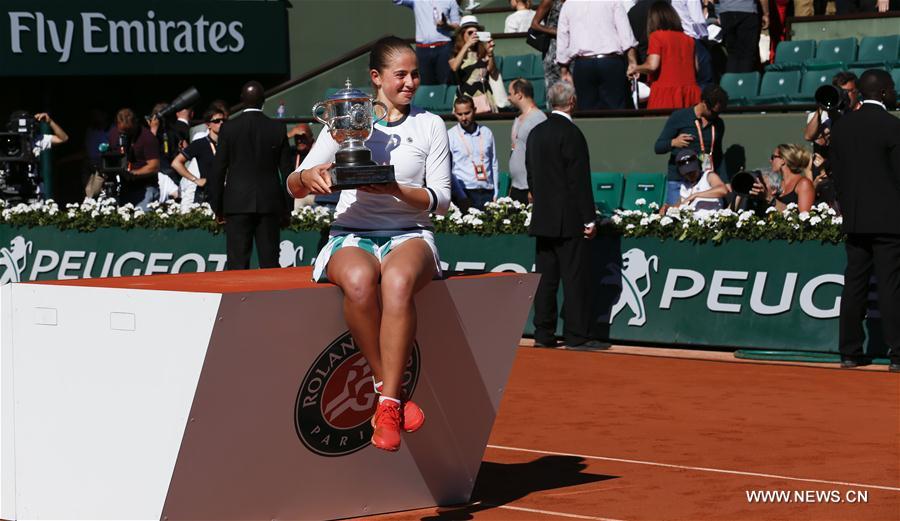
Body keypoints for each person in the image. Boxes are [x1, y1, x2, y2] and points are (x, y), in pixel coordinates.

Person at [285, 36, 452, 451]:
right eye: (401, 75)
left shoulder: (430, 125)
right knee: (359, 282)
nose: (410, 82)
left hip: (410, 233)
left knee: (395, 283)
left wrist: (393, 188)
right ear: (376, 79)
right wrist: (310, 177)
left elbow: (441, 201)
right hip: (350, 232)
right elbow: (292, 183)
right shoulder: (345, 120)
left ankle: (388, 404)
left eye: (415, 74)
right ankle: (388, 393)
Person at [525, 81, 606, 349]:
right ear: (572, 102)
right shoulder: (572, 134)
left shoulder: (536, 133)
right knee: (573, 279)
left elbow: (532, 176)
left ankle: (543, 334)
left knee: (546, 281)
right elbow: (579, 181)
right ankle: (575, 335)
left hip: (543, 219)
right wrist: (589, 219)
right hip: (569, 221)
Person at [828, 69, 900, 372]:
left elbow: (836, 175)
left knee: (854, 283)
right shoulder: (893, 126)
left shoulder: (842, 127)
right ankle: (897, 354)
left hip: (855, 219)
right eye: (893, 88)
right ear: (883, 92)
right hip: (889, 220)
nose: (895, 92)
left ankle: (849, 351)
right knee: (891, 285)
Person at [208, 81, 293, 270]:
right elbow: (287, 170)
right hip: (269, 203)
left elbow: (218, 170)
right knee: (270, 263)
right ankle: (272, 300)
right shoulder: (277, 128)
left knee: (237, 264)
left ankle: (238, 300)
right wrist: (288, 207)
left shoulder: (228, 129)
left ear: (241, 100)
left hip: (236, 203)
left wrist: (217, 206)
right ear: (263, 100)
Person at [556, 0, 639, 110]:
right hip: (610, 62)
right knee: (616, 110)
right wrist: (632, 62)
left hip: (584, 64)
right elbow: (626, 34)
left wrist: (564, 69)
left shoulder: (569, 4)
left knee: (587, 111)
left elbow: (562, 37)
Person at [654, 85, 728, 204]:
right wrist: (673, 142)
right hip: (679, 180)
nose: (716, 115)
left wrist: (725, 181)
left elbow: (718, 154)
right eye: (713, 112)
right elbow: (658, 147)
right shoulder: (679, 117)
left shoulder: (718, 124)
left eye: (719, 112)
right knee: (676, 218)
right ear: (704, 103)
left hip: (704, 180)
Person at [627, 1, 701, 110]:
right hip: (690, 94)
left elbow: (652, 65)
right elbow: (696, 69)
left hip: (665, 94)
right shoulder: (689, 40)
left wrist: (636, 68)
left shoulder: (657, 37)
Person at [3, 110, 68, 202]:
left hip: (34, 189)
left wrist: (49, 122)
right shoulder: (7, 142)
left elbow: (63, 138)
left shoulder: (37, 139)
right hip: (12, 188)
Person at [448, 96, 499, 209]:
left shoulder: (486, 132)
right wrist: (460, 195)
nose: (464, 118)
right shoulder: (451, 135)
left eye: (467, 113)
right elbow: (449, 169)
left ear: (474, 110)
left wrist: (496, 193)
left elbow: (493, 163)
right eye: (459, 114)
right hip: (465, 191)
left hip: (487, 191)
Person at [393, 0, 460, 85]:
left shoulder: (451, 1)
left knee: (446, 82)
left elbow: (457, 25)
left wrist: (445, 25)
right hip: (423, 49)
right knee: (424, 84)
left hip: (444, 47)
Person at [108, 108, 161, 209]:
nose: (124, 134)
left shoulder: (147, 138)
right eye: (122, 131)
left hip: (145, 187)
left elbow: (154, 166)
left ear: (136, 123)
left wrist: (133, 174)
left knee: (141, 219)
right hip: (123, 188)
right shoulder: (113, 134)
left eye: (128, 131)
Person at [172, 108, 225, 206]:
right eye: (217, 121)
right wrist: (195, 180)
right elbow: (176, 163)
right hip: (207, 195)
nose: (221, 123)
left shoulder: (228, 143)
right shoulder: (200, 144)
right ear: (208, 124)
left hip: (226, 193)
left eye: (224, 120)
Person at [508, 78, 547, 204]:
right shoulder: (518, 118)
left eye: (510, 94)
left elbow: (542, 155)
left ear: (519, 95)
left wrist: (534, 188)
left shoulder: (538, 118)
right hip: (516, 186)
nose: (508, 98)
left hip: (530, 188)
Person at [449, 16, 498, 114]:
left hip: (484, 95)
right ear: (462, 34)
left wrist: (490, 53)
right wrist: (467, 45)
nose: (473, 35)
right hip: (465, 96)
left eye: (476, 32)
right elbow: (454, 67)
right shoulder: (455, 52)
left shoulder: (483, 51)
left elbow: (491, 71)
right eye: (470, 33)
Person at [751, 144, 815, 213]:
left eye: (773, 157)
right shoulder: (779, 184)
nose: (770, 161)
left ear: (783, 160)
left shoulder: (803, 184)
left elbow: (803, 218)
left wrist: (769, 198)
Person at [662, 149, 727, 211]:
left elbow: (723, 190)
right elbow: (678, 206)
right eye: (687, 173)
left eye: (692, 171)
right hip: (691, 220)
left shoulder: (708, 176)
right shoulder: (684, 185)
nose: (690, 175)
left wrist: (696, 195)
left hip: (711, 218)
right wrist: (668, 208)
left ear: (698, 166)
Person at [718, 0, 768, 73]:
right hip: (747, 11)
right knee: (747, 54)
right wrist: (766, 13)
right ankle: (744, 81)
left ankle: (731, 81)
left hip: (726, 11)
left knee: (732, 54)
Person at [531, 0, 564, 102]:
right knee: (554, 89)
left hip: (570, 49)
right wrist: (557, 31)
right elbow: (534, 24)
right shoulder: (549, 1)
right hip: (553, 50)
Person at [287, 123, 317, 209]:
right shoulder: (292, 152)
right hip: (298, 194)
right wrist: (288, 135)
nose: (299, 141)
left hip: (317, 195)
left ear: (310, 137)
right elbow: (272, 148)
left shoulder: (318, 150)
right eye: (296, 138)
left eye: (303, 137)